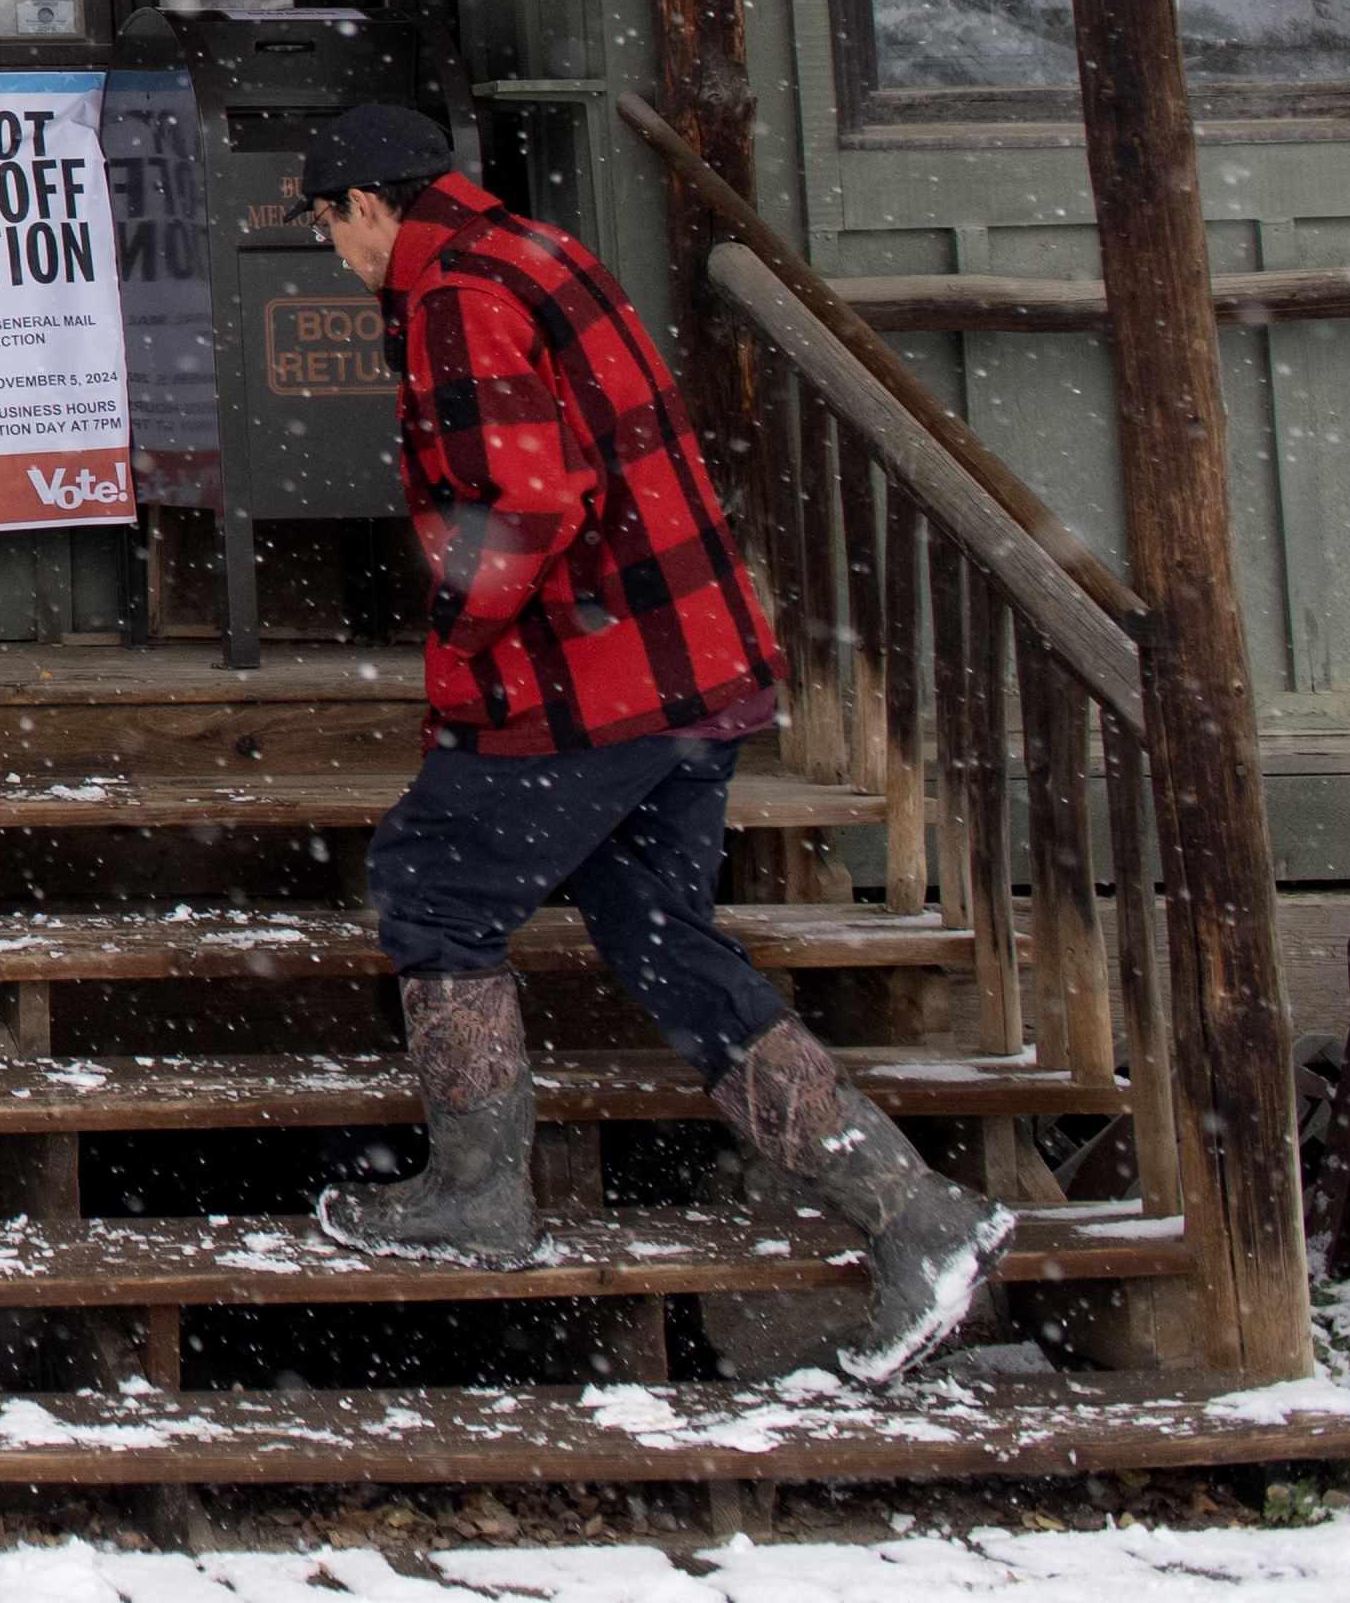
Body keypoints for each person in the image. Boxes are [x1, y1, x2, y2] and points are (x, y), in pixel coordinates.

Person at [293, 98, 1011, 1381]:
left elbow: (520, 498)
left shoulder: (451, 295)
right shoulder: (541, 251)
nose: (335, 259)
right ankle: (917, 1217)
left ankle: (476, 1197)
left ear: (363, 205)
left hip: (590, 680)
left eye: (328, 231)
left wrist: (461, 633)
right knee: (661, 940)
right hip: (695, 670)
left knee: (430, 883)